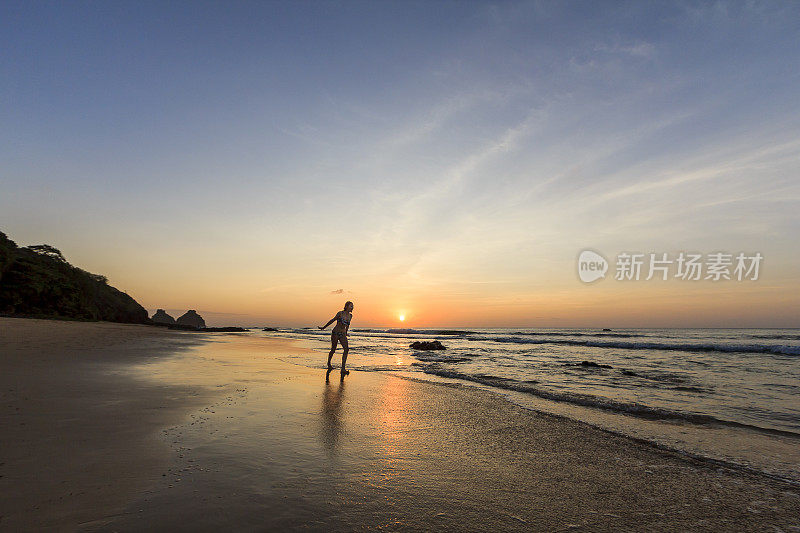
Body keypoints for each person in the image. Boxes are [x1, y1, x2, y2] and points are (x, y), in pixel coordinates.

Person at [319, 301, 353, 374]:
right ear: (346, 306)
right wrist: (323, 327)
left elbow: (347, 326)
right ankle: (329, 363)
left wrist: (346, 333)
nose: (352, 307)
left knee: (346, 349)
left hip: (343, 334)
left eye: (352, 306)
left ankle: (343, 368)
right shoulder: (340, 313)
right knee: (333, 349)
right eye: (351, 306)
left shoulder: (350, 316)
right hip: (335, 333)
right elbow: (332, 320)